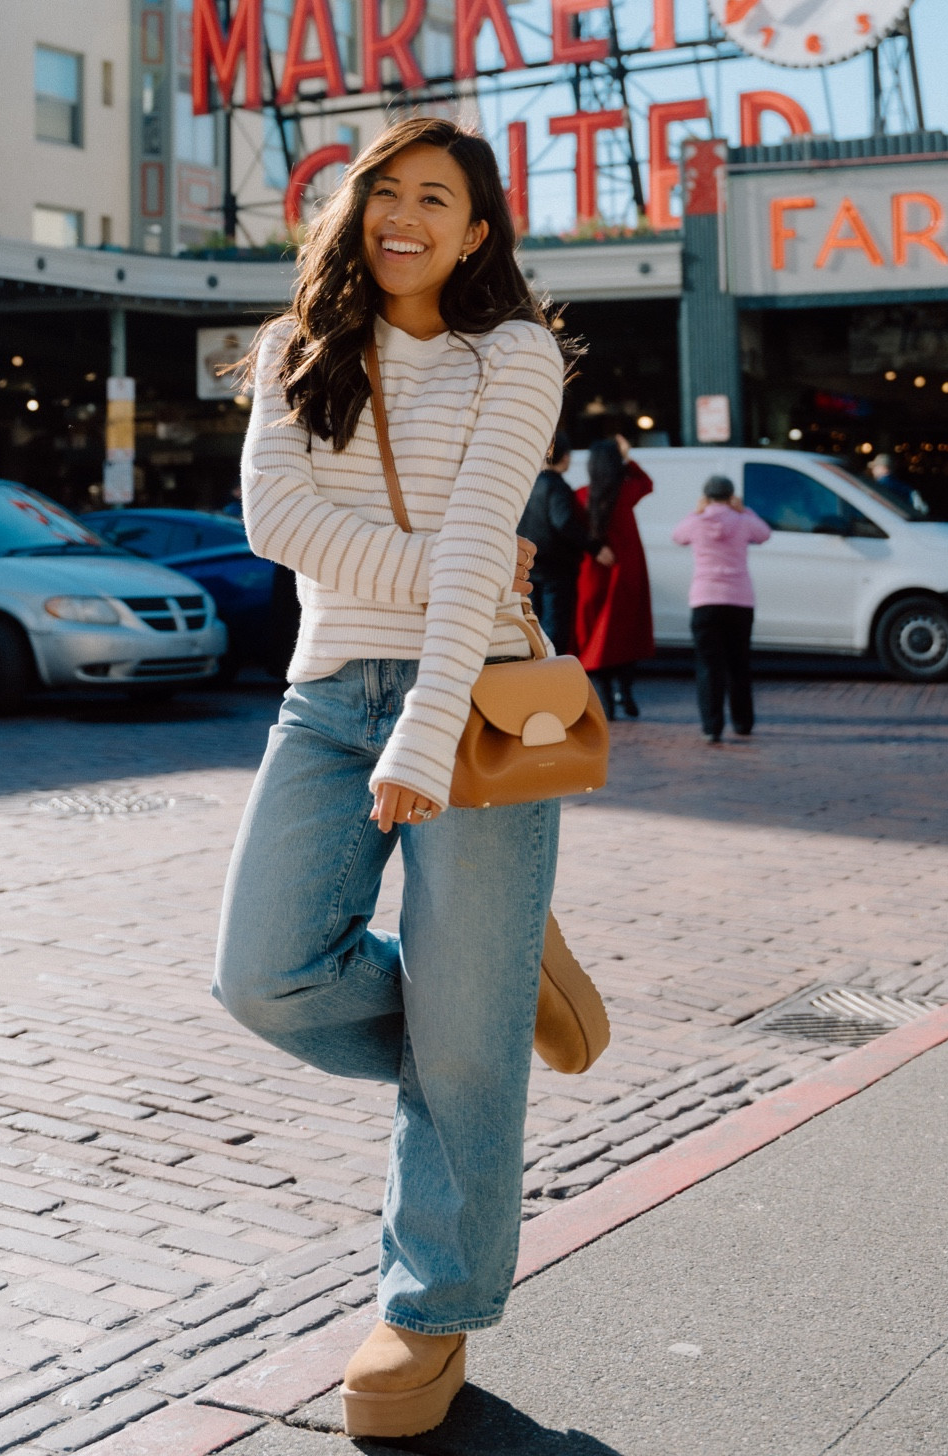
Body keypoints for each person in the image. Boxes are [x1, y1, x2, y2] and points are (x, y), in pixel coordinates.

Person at [213, 115, 607, 1441]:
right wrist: (444, 567)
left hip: (477, 703)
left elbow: (484, 546)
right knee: (264, 973)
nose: (404, 215)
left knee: (460, 1032)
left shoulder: (514, 354)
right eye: (383, 191)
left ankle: (427, 1310)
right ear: (352, 212)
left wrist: (427, 724)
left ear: (477, 230)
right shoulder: (293, 354)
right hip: (326, 699)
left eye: (435, 197)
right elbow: (275, 526)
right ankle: (485, 1009)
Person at [672, 474, 771, 743]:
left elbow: (677, 536)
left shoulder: (696, 522)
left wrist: (697, 510)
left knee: (708, 666)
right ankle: (742, 722)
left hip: (705, 599)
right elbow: (764, 534)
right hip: (739, 600)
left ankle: (712, 726)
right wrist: (744, 509)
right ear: (731, 496)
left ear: (706, 496)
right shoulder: (743, 519)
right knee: (738, 664)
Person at [574, 433, 655, 718]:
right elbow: (647, 483)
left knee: (594, 638)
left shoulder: (581, 495)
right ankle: (626, 691)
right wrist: (627, 457)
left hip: (593, 574)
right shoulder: (626, 490)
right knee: (625, 638)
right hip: (626, 573)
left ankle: (606, 700)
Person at [519, 427, 588, 654]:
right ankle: (553, 674)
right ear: (565, 456)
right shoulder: (557, 486)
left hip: (528, 564)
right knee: (555, 626)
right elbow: (564, 522)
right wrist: (592, 546)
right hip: (556, 568)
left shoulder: (527, 483)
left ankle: (537, 674)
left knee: (532, 622)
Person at [867, 451, 928, 517]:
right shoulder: (906, 487)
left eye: (875, 467)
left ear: (883, 468)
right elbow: (922, 508)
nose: (873, 471)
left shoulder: (879, 486)